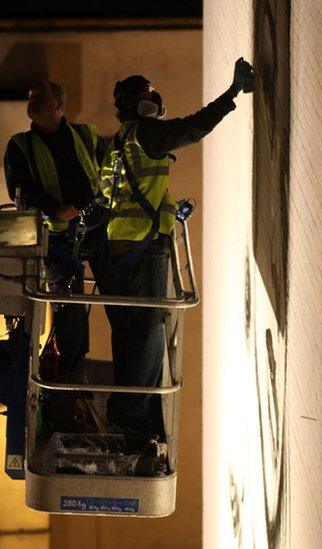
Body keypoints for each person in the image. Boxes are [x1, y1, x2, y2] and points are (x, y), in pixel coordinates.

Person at [101, 58, 254, 438]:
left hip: (118, 246)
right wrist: (233, 93)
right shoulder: (147, 135)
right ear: (141, 104)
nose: (154, 98)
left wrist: (172, 208)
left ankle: (128, 406)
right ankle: (132, 412)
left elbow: (128, 197)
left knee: (128, 331)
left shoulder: (117, 145)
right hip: (142, 248)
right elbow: (194, 127)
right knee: (150, 328)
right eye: (148, 94)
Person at [3, 80, 113, 431]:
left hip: (98, 232)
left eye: (39, 97)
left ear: (59, 104)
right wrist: (55, 209)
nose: (31, 101)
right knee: (68, 310)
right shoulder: (20, 146)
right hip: (58, 241)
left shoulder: (87, 136)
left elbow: (107, 176)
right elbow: (22, 193)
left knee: (121, 301)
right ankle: (71, 380)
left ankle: (111, 371)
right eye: (30, 97)